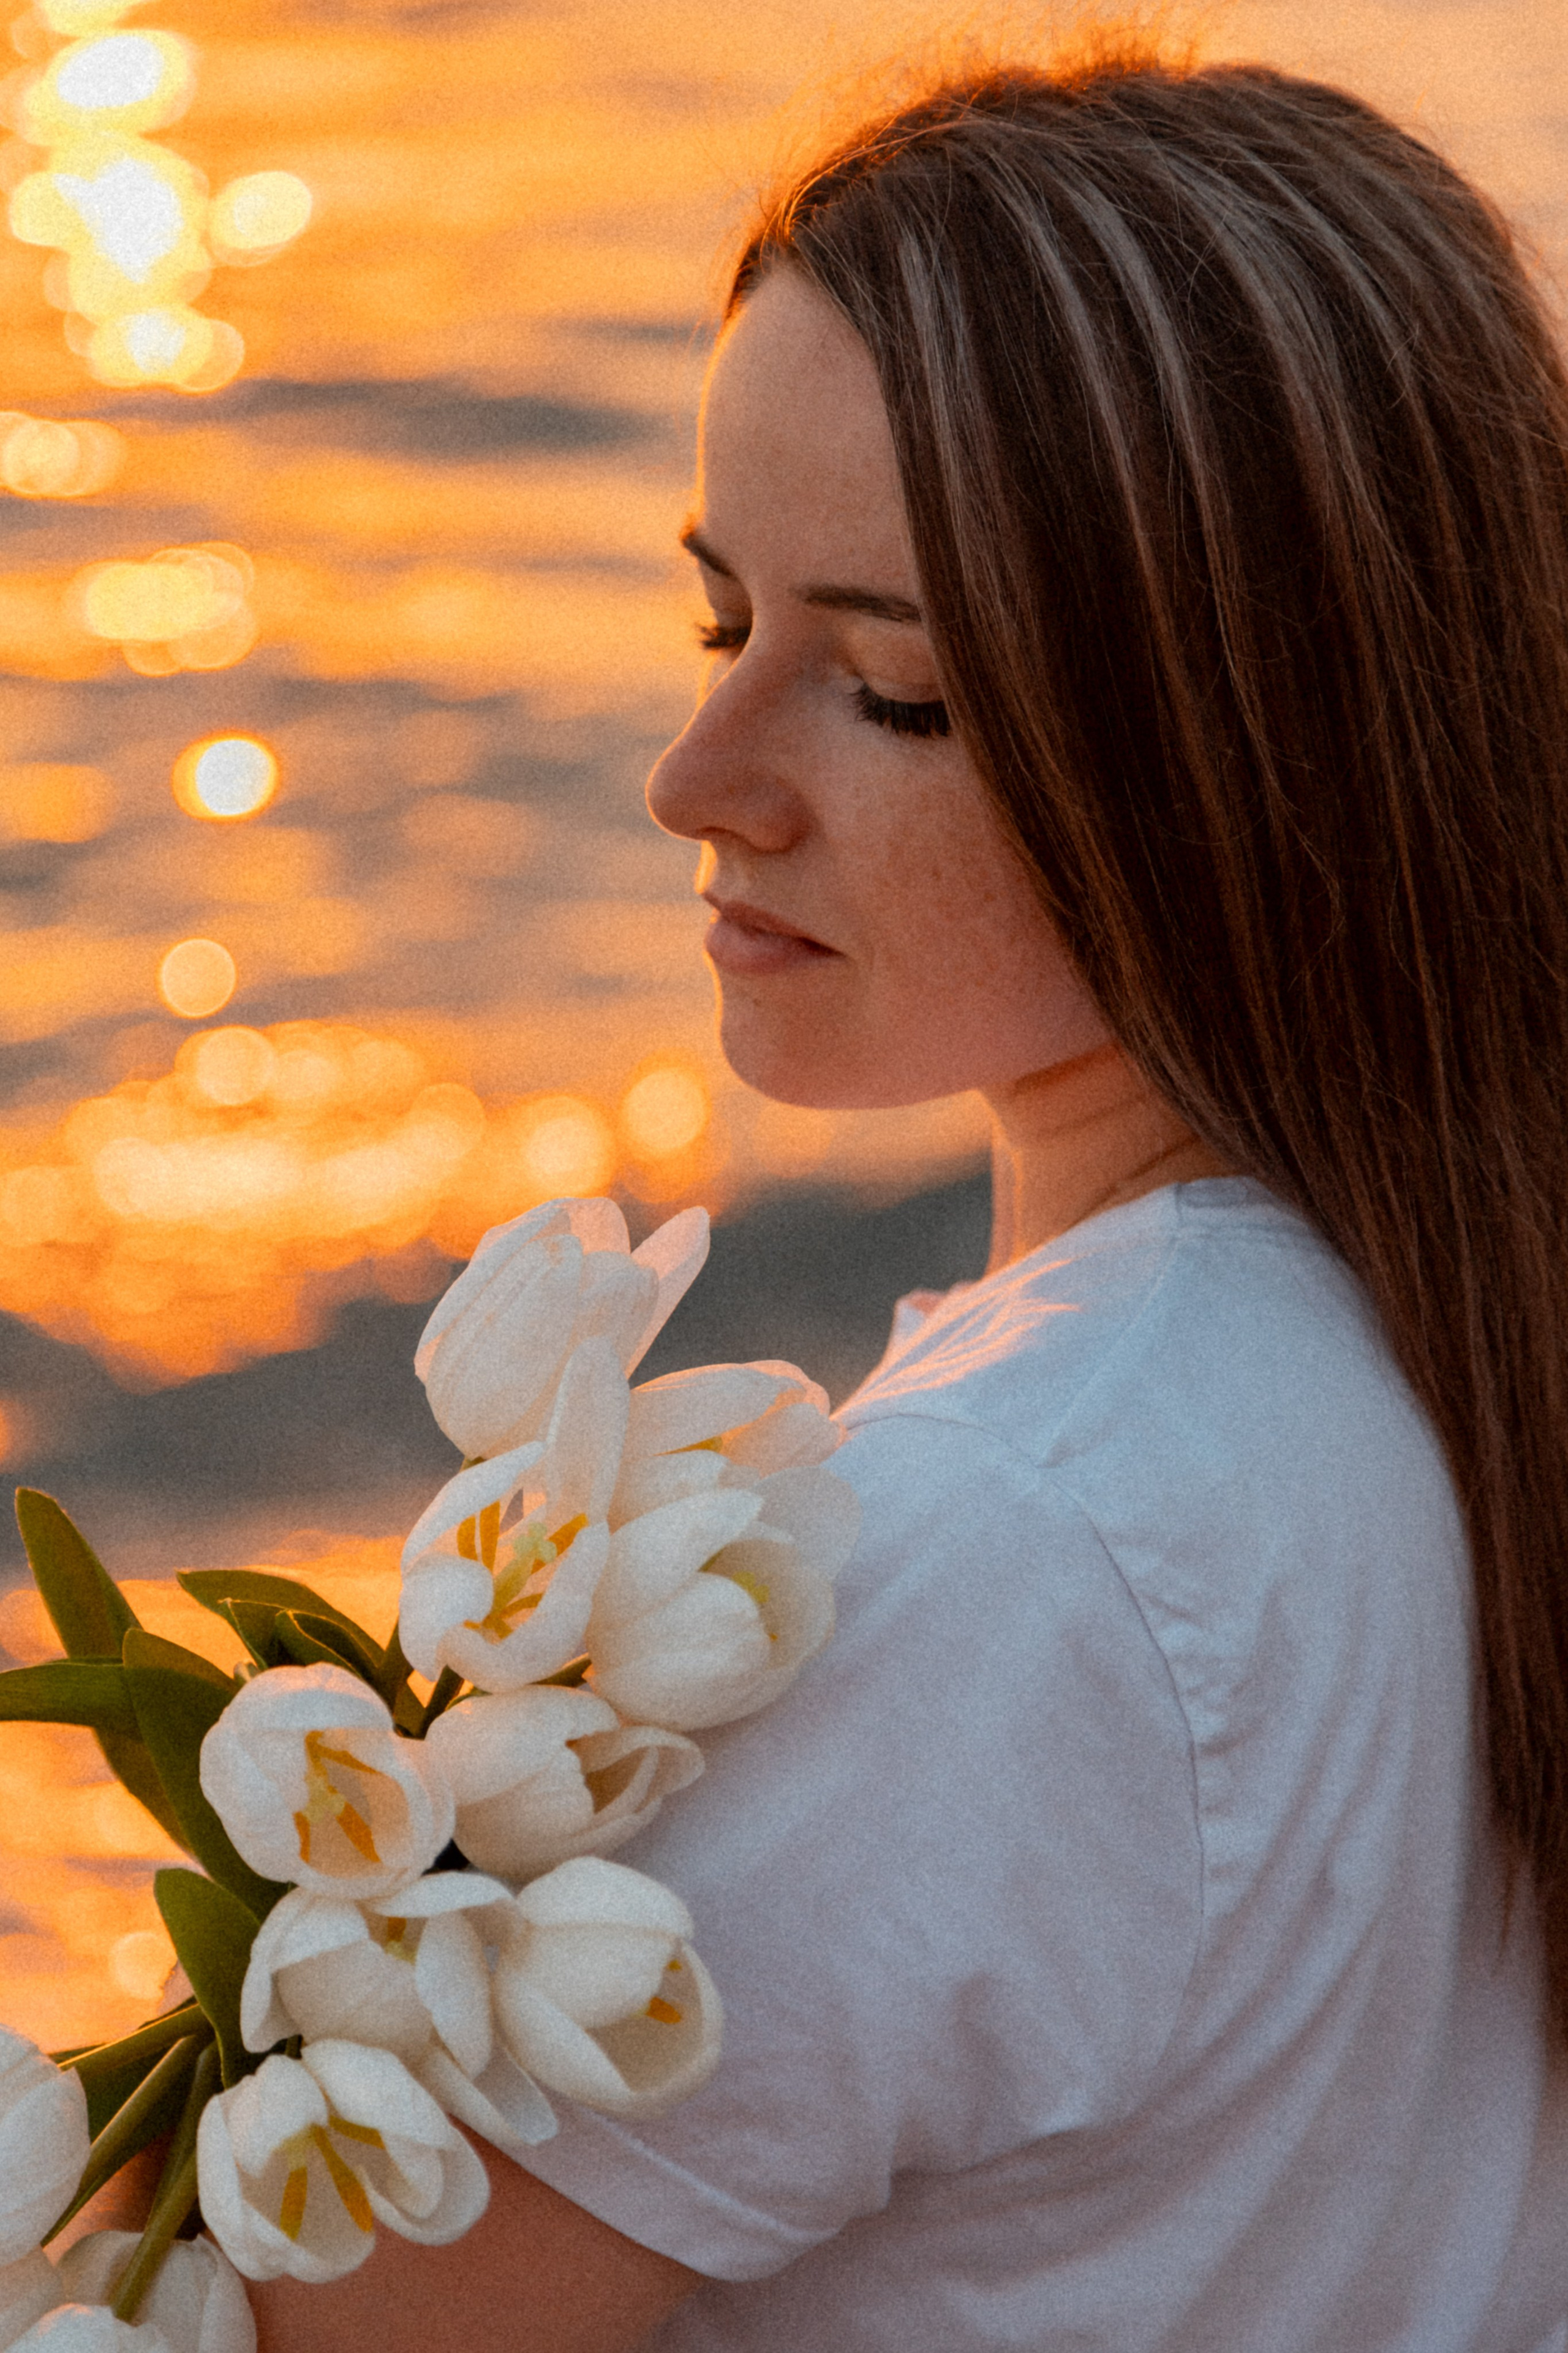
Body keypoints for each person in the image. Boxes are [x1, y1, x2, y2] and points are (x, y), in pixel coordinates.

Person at [246, 37, 1568, 2352]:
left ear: (1256, 734)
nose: (700, 775)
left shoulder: (1025, 1540)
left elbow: (317, 2326)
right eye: (716, 621)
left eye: (895, 692)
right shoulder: (1459, 1356)